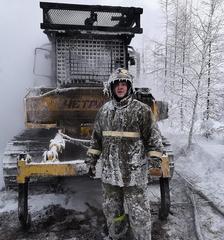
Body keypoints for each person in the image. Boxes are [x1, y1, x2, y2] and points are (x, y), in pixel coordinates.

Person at [86, 68, 163, 240]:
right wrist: (91, 160)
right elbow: (96, 139)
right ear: (112, 88)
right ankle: (117, 236)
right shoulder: (104, 112)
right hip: (110, 174)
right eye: (117, 84)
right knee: (113, 211)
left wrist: (155, 159)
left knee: (139, 213)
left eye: (124, 84)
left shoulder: (141, 110)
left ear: (129, 87)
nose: (120, 87)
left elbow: (153, 138)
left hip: (134, 174)